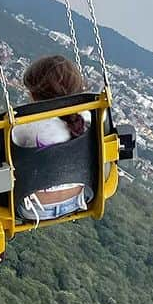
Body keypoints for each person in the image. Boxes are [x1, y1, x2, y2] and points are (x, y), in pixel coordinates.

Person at [11, 54, 92, 220]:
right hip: (80, 199)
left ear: (34, 95)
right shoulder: (91, 118)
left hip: (34, 209)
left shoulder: (28, 125)